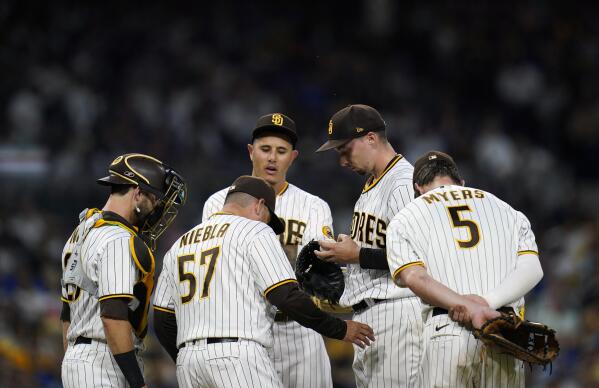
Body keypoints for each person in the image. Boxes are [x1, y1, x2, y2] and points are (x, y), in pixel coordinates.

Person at [152, 175, 374, 388]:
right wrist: (339, 329)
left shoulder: (179, 245)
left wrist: (186, 357)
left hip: (188, 364)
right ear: (259, 206)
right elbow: (286, 297)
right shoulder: (254, 230)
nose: (267, 225)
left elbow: (162, 319)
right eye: (268, 218)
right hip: (238, 357)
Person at [386, 150, 544, 387]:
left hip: (448, 330)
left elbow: (413, 276)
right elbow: (533, 269)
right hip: (502, 332)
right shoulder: (507, 210)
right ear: (460, 182)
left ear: (417, 188)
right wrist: (485, 303)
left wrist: (467, 307)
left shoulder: (406, 217)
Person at [201, 113, 336, 388]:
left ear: (293, 157)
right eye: (265, 149)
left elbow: (316, 268)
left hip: (299, 330)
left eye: (281, 151)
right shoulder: (217, 202)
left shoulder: (313, 206)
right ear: (251, 152)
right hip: (244, 331)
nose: (272, 158)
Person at [314, 104, 423, 387]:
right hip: (369, 320)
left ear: (371, 139)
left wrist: (357, 254)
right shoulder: (371, 186)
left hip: (398, 312)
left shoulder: (402, 183)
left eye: (344, 149)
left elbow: (419, 257)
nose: (342, 160)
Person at [60, 153, 187, 388]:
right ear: (137, 193)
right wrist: (138, 383)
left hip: (81, 359)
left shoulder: (81, 231)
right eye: (154, 199)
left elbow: (66, 315)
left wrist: (74, 362)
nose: (157, 209)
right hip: (104, 362)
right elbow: (112, 316)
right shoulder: (118, 238)